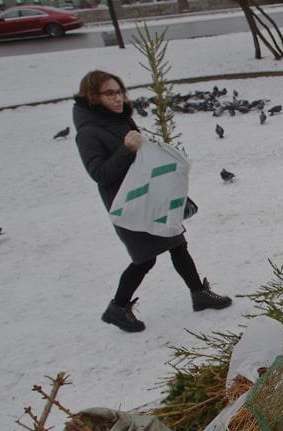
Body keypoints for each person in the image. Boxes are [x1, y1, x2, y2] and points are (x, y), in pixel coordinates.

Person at [74, 70, 231, 333]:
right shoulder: (88, 133)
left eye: (120, 92)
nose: (118, 99)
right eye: (109, 93)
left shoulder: (121, 120)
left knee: (178, 244)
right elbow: (99, 174)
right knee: (144, 259)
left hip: (151, 197)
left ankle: (199, 293)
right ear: (92, 96)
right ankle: (117, 308)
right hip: (129, 207)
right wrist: (126, 149)